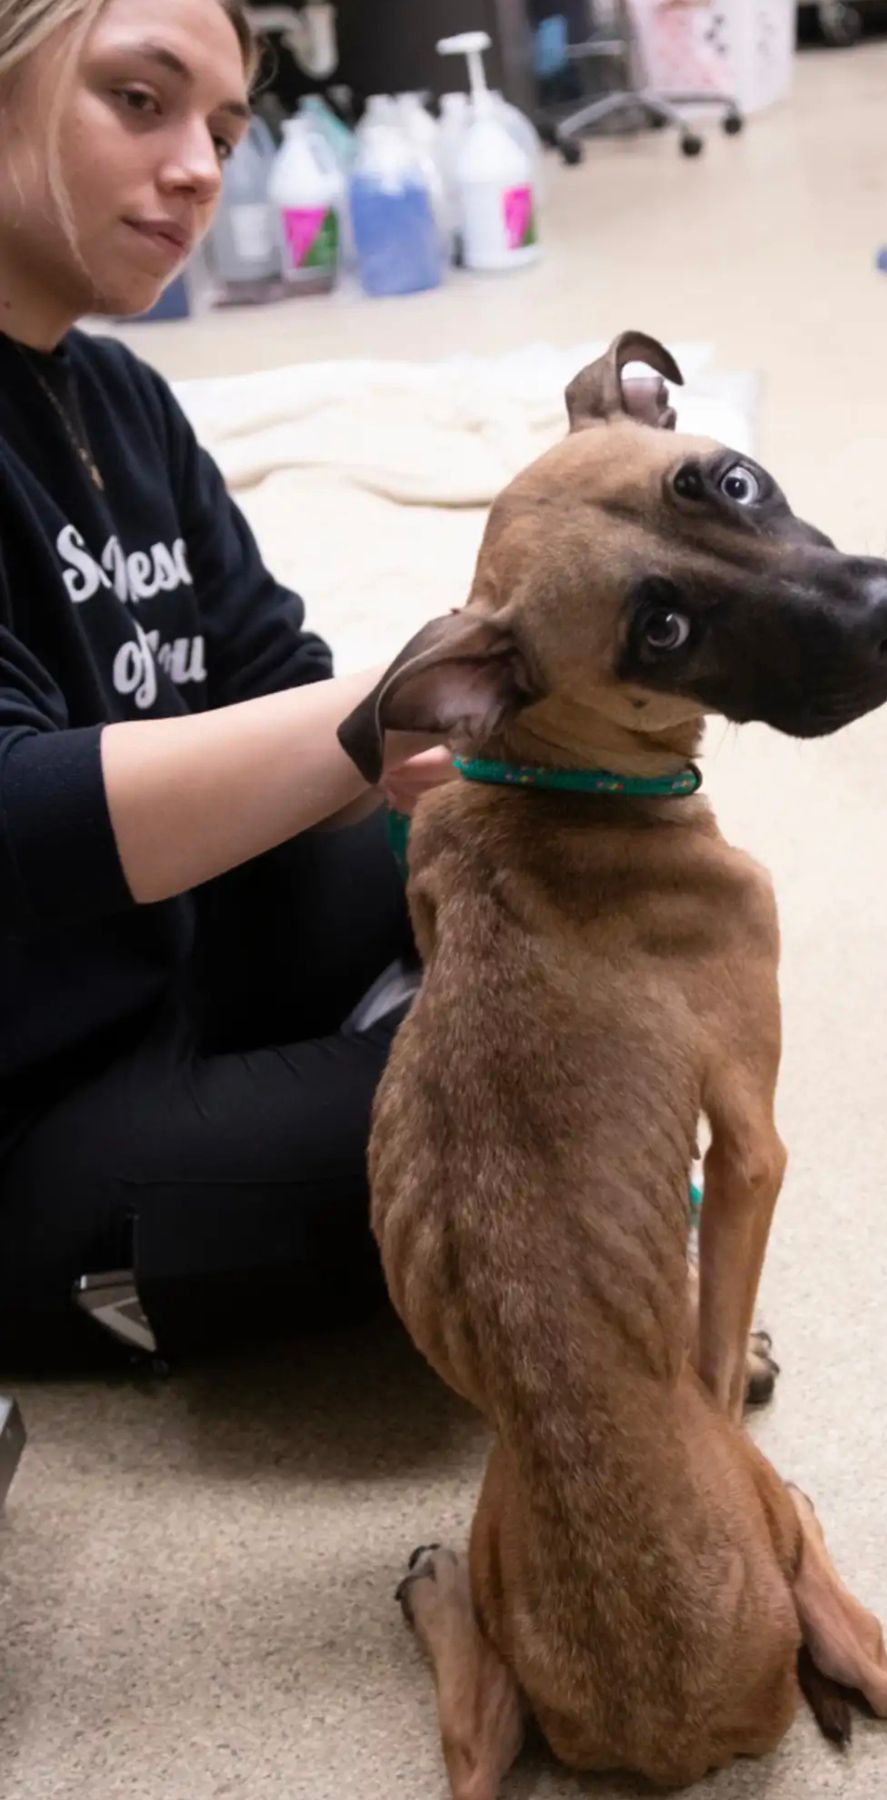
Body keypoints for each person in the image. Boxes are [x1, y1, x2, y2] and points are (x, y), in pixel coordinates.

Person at [0, 0, 454, 1370]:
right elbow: (19, 823)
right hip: (27, 1104)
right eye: (142, 101)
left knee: (562, 879)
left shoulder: (120, 397)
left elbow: (274, 680)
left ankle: (400, 1021)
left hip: (155, 956)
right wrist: (396, 697)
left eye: (222, 127)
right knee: (515, 1118)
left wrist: (451, 770)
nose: (201, 165)